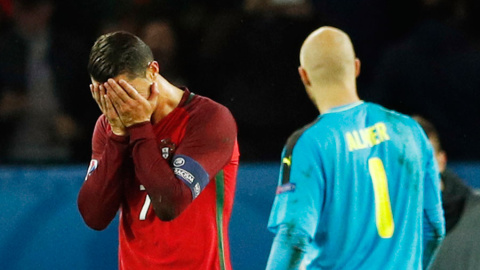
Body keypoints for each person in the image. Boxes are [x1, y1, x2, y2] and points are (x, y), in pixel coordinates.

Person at [266, 26, 445, 269]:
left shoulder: (309, 144)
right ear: (357, 67)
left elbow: (294, 235)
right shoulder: (410, 130)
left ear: (304, 75)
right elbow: (434, 227)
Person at [77, 31, 239, 270]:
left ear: (153, 71)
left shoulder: (208, 119)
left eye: (125, 93)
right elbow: (94, 216)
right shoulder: (110, 126)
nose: (117, 106)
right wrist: (118, 136)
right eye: (105, 97)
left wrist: (139, 127)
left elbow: (170, 204)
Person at [413, 115, 475, 233]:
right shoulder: (375, 222)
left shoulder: (475, 215)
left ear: (442, 161)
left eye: (425, 161)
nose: (416, 170)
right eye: (404, 161)